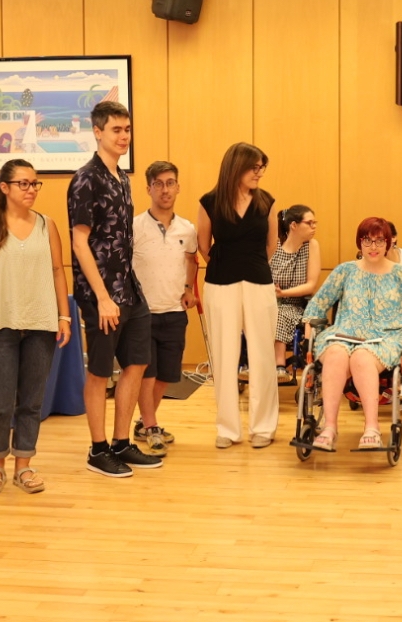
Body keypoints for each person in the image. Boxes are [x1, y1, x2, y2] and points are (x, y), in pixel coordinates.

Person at [69, 101, 162, 478]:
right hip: (100, 295)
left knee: (137, 362)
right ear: (97, 131)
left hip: (130, 290)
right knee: (100, 372)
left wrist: (123, 293)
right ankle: (98, 449)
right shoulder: (85, 178)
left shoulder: (122, 177)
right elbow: (79, 242)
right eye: (116, 130)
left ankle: (122, 442)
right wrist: (103, 298)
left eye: (127, 130)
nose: (123, 136)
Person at [0, 160, 70, 496]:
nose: (31, 190)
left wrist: (64, 316)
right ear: (5, 187)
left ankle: (23, 464)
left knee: (31, 400)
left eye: (35, 184)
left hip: (40, 324)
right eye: (23, 184)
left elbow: (57, 270)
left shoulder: (47, 225)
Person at [302, 217, 402, 452]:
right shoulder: (345, 271)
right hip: (344, 332)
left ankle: (372, 428)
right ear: (360, 243)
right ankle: (329, 428)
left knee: (362, 358)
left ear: (388, 243)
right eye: (367, 241)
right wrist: (309, 339)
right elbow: (317, 305)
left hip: (386, 336)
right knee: (336, 354)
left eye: (379, 241)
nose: (373, 247)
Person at [198, 142, 281, 449]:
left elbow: (271, 245)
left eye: (262, 167)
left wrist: (251, 265)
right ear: (236, 167)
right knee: (224, 356)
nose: (259, 173)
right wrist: (227, 266)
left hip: (259, 282)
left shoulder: (267, 202)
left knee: (261, 357)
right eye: (254, 167)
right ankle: (228, 429)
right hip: (221, 284)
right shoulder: (209, 201)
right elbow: (204, 246)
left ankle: (263, 427)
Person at [131, 160, 199, 455]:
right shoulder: (134, 226)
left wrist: (188, 289)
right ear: (148, 188)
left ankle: (145, 422)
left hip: (174, 311)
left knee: (166, 375)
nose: (165, 189)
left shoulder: (188, 228)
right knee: (146, 373)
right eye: (158, 183)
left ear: (178, 187)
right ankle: (150, 426)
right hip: (142, 313)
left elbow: (192, 260)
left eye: (170, 182)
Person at [271, 203, 321, 375]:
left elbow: (311, 285)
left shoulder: (311, 246)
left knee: (280, 313)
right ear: (294, 225)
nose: (314, 227)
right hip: (271, 301)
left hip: (299, 305)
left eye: (315, 222)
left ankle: (279, 366)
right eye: (309, 223)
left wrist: (283, 293)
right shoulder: (274, 247)